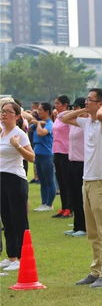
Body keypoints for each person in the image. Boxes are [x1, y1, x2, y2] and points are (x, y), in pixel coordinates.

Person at [62, 88, 102, 288]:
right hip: (88, 180)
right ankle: (96, 271)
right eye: (86, 98)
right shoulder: (87, 123)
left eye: (91, 100)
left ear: (101, 103)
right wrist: (83, 111)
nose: (86, 102)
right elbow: (64, 118)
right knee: (93, 232)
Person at [0, 102, 35, 271]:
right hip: (2, 179)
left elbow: (31, 157)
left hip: (15, 180)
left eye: (8, 111)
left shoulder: (19, 134)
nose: (4, 114)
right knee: (6, 219)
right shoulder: (1, 132)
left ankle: (22, 258)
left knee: (18, 220)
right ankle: (11, 256)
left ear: (17, 116)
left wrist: (17, 146)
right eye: (3, 111)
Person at [65, 98, 87, 237]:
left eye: (76, 107)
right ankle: (76, 225)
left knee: (81, 197)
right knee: (74, 195)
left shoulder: (87, 123)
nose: (74, 110)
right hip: (72, 161)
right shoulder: (74, 123)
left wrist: (85, 111)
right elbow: (63, 118)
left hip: (83, 163)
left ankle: (84, 227)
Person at [51, 95, 73, 218]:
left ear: (65, 105)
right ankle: (64, 206)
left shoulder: (67, 117)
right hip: (57, 152)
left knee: (67, 182)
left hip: (66, 152)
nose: (55, 105)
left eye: (58, 103)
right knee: (60, 182)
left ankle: (70, 208)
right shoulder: (58, 117)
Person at [31, 102, 56, 212]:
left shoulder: (49, 123)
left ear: (46, 111)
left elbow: (41, 133)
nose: (38, 111)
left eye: (40, 110)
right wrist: (36, 122)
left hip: (47, 155)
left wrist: (38, 124)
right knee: (42, 180)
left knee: (49, 180)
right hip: (38, 155)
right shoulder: (39, 122)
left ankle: (49, 204)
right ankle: (44, 203)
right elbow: (29, 127)